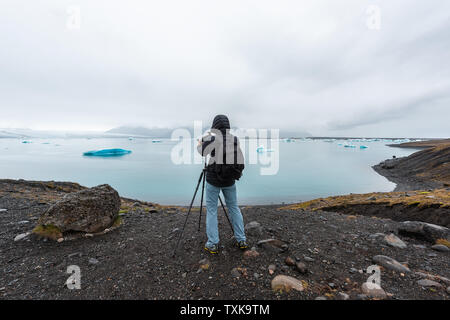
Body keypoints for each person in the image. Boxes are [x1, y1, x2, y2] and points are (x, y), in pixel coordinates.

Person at [197, 114, 248, 254]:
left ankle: (213, 243)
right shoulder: (234, 139)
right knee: (234, 208)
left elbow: (201, 152)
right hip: (229, 180)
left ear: (215, 126)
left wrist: (201, 142)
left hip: (213, 180)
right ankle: (241, 239)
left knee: (212, 210)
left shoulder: (212, 139)